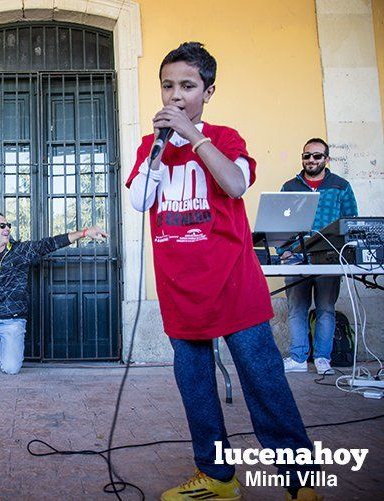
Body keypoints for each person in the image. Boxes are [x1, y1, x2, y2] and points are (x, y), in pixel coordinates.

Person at [126, 42, 320, 501]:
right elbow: (138, 200)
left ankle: (302, 481)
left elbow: (234, 183)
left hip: (235, 286)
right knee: (196, 390)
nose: (175, 96)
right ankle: (217, 476)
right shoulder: (148, 146)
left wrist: (193, 137)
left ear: (208, 92)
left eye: (187, 86)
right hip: (181, 291)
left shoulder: (225, 138)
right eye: (168, 85)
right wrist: (159, 149)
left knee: (264, 382)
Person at [0, 212, 107, 374]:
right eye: (2, 226)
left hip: (13, 321)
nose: (7, 229)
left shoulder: (20, 251)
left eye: (8, 225)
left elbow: (49, 244)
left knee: (11, 369)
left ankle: (5, 343)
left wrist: (84, 233)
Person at [280, 138, 358, 375]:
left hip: (329, 258)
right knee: (296, 308)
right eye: (306, 156)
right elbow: (279, 221)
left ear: (326, 159)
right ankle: (298, 358)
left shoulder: (341, 186)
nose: (311, 160)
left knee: (325, 308)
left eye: (316, 156)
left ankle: (323, 358)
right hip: (295, 257)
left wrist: (347, 253)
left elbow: (351, 221)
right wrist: (282, 249)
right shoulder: (289, 186)